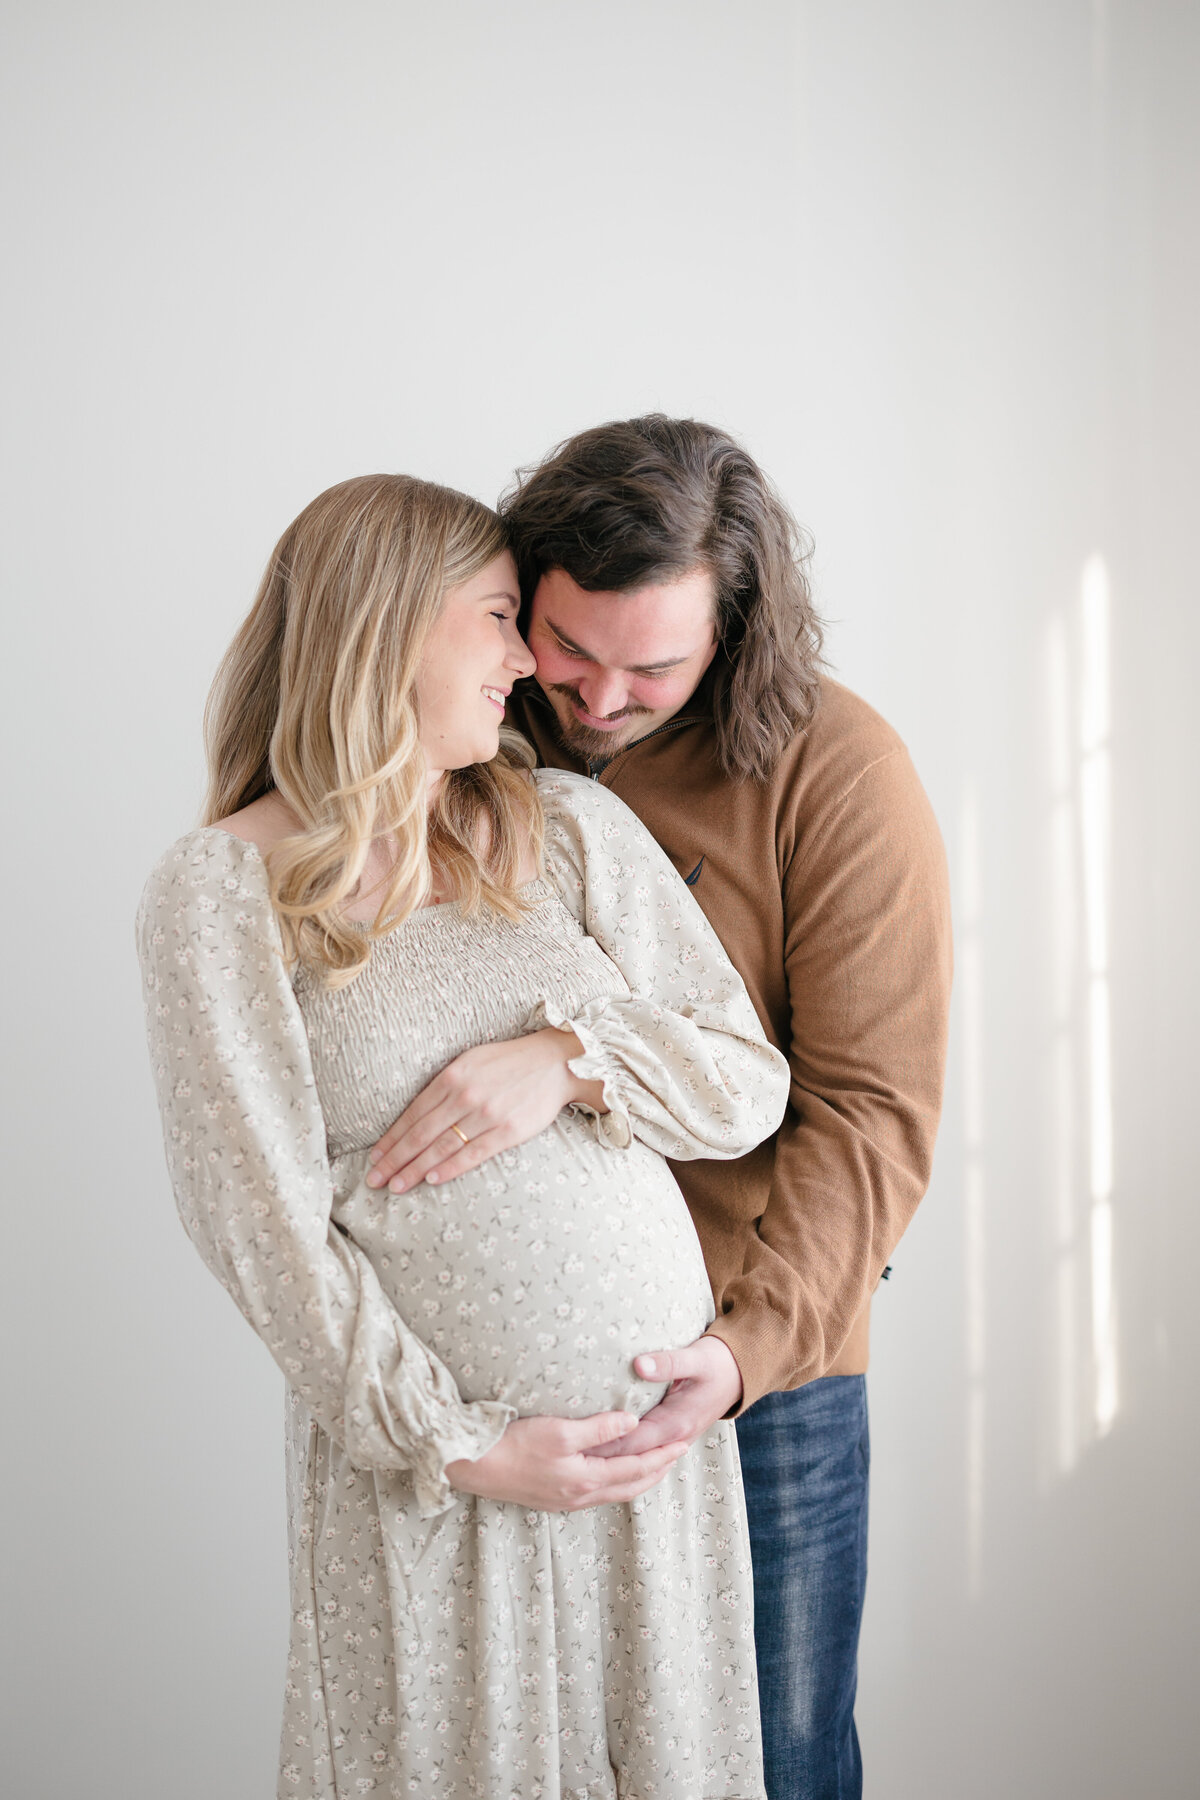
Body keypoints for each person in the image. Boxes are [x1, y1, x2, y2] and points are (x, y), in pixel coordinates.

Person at [136, 472, 792, 1800]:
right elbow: (259, 1227)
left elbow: (743, 1080)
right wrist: (465, 1446)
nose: (524, 662)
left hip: (654, 1480)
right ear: (385, 627)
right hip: (442, 1488)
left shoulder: (564, 830)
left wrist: (569, 1060)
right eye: (497, 617)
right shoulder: (226, 891)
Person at [488, 416, 954, 1798]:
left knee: (775, 1763)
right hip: (513, 1379)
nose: (603, 698)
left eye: (655, 667)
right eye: (571, 649)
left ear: (735, 634)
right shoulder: (471, 729)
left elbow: (872, 1114)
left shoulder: (838, 771)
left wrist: (745, 1353)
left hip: (753, 1386)